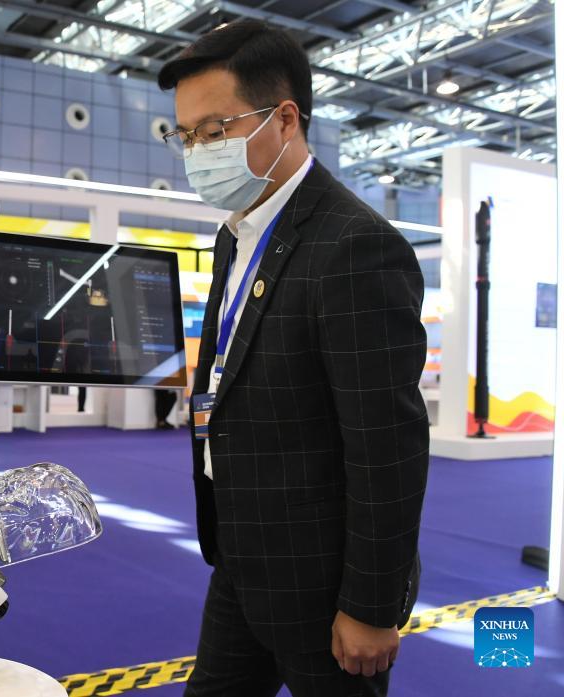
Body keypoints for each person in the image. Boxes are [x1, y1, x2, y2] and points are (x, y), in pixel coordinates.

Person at [158, 20, 428, 697]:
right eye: (185, 136)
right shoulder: (236, 234)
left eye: (215, 130)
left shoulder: (354, 246)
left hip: (325, 582)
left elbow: (387, 445)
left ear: (284, 119)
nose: (197, 151)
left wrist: (370, 603)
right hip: (243, 557)